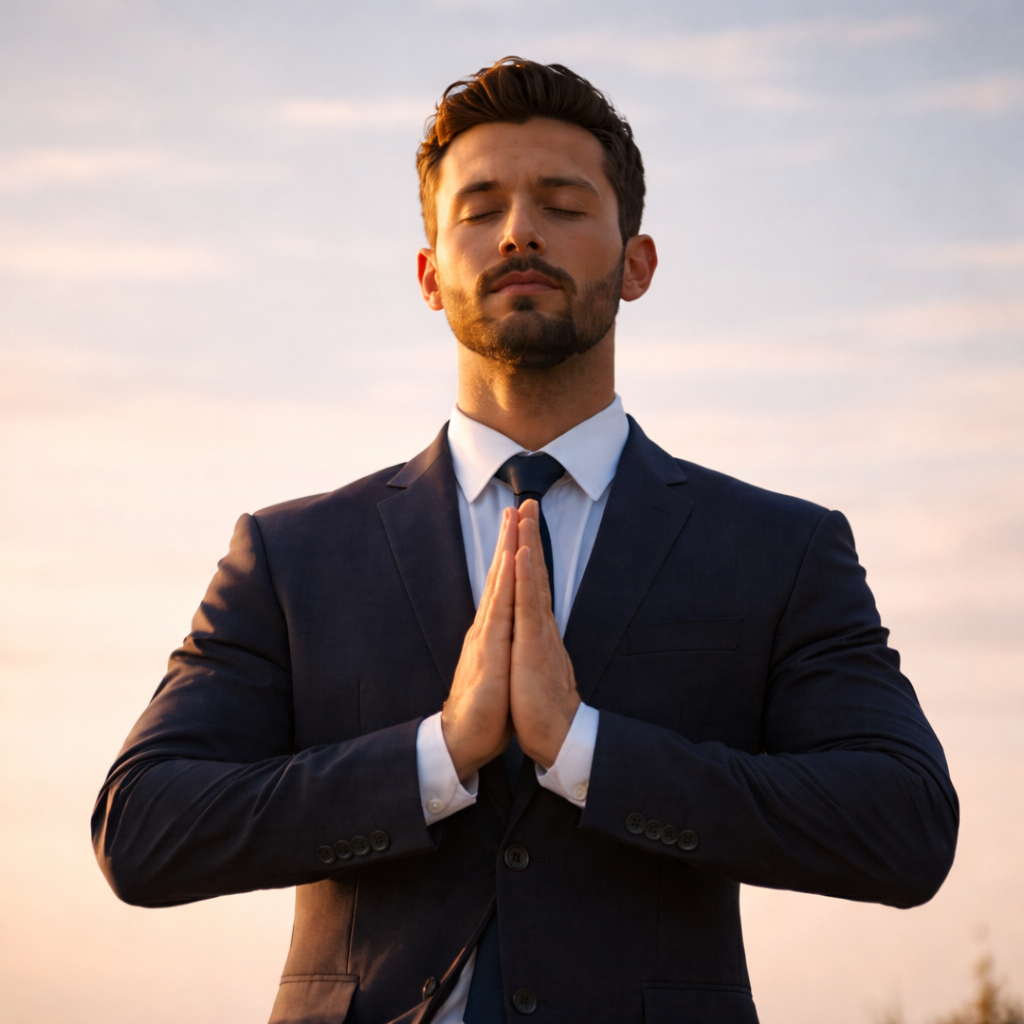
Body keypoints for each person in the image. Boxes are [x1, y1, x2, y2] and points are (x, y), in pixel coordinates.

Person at [92, 57, 958, 1024]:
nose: (518, 231)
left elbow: (905, 827)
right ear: (430, 273)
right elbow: (144, 828)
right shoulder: (292, 555)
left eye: (563, 203)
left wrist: (584, 748)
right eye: (479, 207)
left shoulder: (780, 551)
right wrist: (437, 756)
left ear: (637, 263)